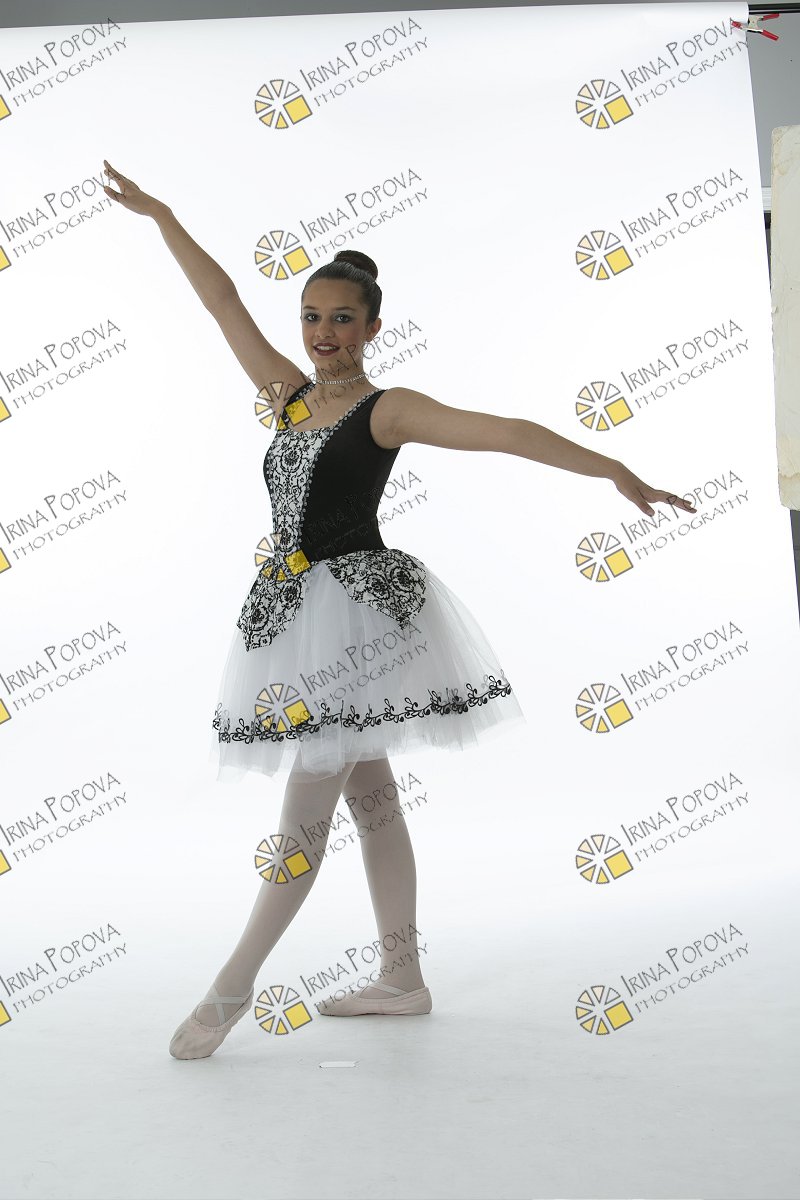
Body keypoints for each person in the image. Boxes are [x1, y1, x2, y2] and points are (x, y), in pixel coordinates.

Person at [101, 160, 697, 1061]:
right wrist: (162, 215)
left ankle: (230, 991)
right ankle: (402, 978)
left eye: (343, 318)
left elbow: (504, 432)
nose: (324, 333)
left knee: (304, 816)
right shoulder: (285, 397)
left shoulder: (390, 410)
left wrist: (612, 468)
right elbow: (221, 302)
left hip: (360, 622)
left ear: (373, 327)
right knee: (373, 800)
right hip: (295, 613)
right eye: (312, 316)